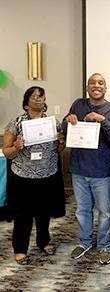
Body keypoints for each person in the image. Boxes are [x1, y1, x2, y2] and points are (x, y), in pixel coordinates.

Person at [62, 73, 110, 265]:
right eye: (92, 83)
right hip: (79, 170)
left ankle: (104, 246)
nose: (96, 86)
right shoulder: (78, 104)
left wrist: (103, 120)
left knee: (105, 212)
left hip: (102, 173)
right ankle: (85, 242)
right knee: (82, 210)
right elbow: (65, 128)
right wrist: (68, 120)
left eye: (100, 83)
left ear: (105, 88)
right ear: (88, 87)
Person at [3, 86, 66, 265]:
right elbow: (7, 152)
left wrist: (61, 142)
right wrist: (16, 146)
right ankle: (20, 249)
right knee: (22, 215)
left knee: (43, 213)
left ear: (45, 101)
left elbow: (58, 149)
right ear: (26, 101)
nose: (38, 99)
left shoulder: (54, 123)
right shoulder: (16, 123)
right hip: (23, 177)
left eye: (41, 96)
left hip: (47, 175)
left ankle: (43, 242)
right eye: (33, 96)